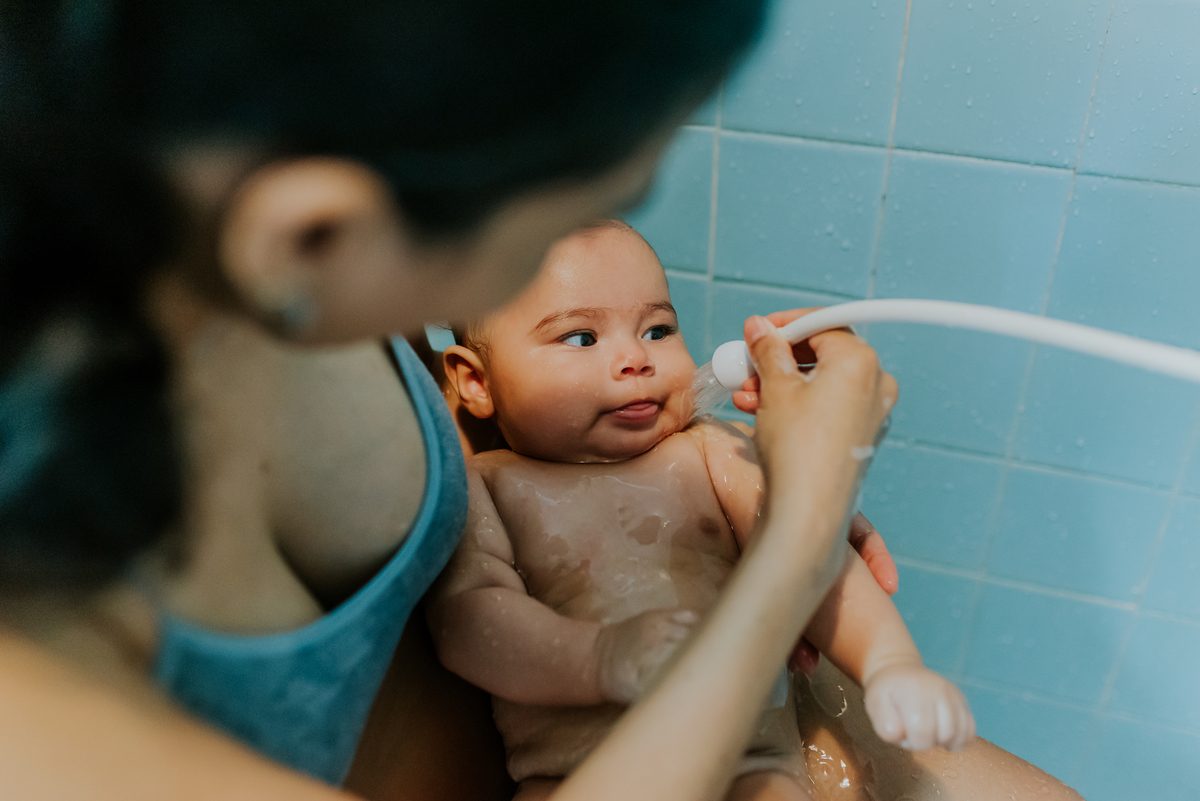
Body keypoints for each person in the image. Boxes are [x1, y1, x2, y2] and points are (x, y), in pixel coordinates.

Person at [0, 2, 1080, 799]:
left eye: (655, 323)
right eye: (542, 243)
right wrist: (798, 535)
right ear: (315, 233)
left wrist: (803, 559)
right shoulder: (37, 698)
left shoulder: (289, 262)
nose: (635, 354)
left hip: (748, 730)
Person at [429, 221, 974, 800]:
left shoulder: (708, 449)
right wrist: (597, 659)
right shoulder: (488, 486)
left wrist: (890, 664)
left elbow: (816, 555)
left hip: (748, 761)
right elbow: (468, 621)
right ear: (476, 382)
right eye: (581, 338)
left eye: (658, 330)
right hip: (567, 773)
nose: (635, 358)